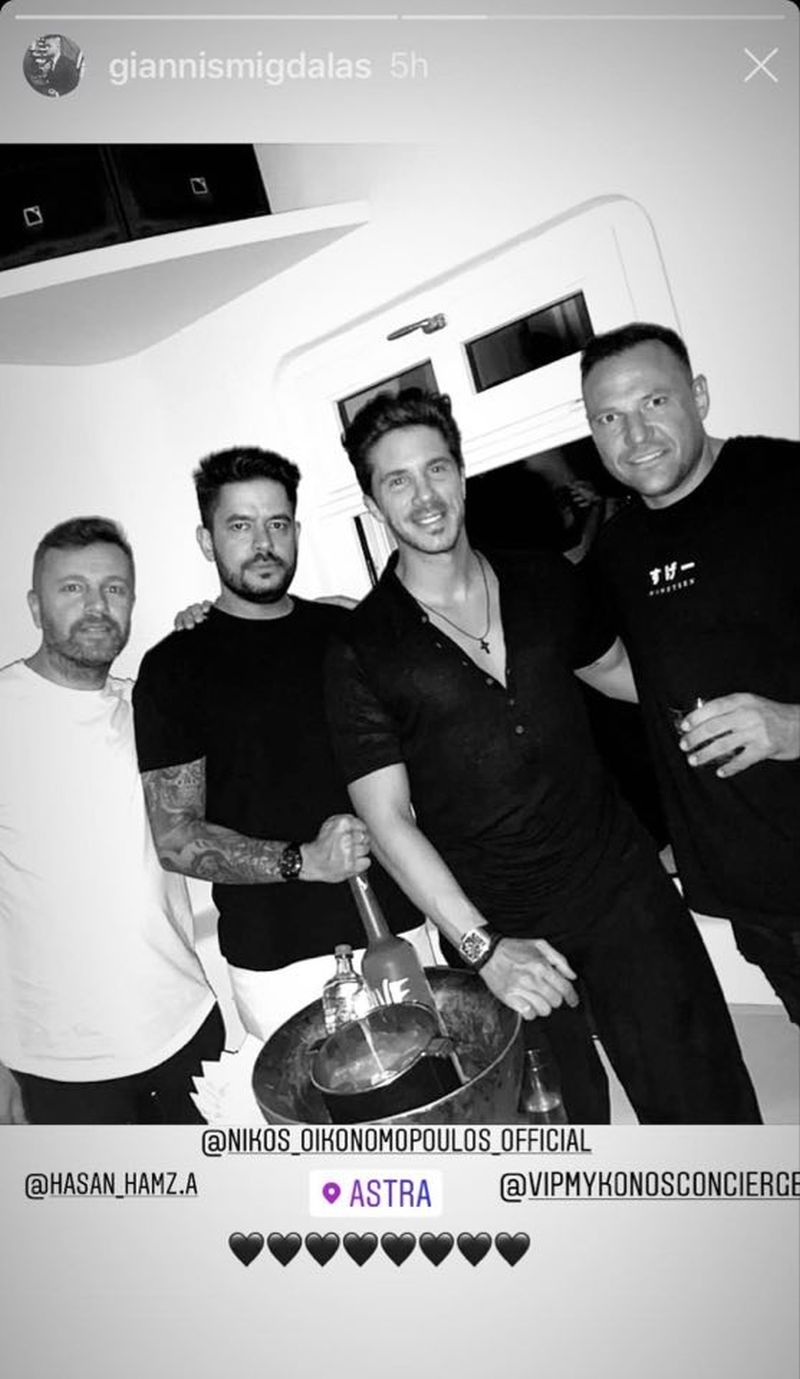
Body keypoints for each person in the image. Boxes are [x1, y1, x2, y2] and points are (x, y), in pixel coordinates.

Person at [325, 387, 761, 1124]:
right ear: (373, 505)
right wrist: (485, 949)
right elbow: (388, 821)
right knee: (558, 1138)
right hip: (503, 929)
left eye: (436, 469)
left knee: (707, 1107)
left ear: (462, 475)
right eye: (397, 481)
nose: (425, 497)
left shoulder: (543, 579)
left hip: (625, 893)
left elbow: (625, 674)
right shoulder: (360, 647)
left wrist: (748, 705)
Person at [132, 447, 426, 1043]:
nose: (263, 543)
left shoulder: (346, 632)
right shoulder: (174, 667)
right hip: (280, 965)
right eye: (240, 526)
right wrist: (303, 861)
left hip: (403, 926)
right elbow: (175, 838)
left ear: (296, 530)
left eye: (278, 524)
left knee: (439, 1089)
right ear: (207, 540)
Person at [581, 322, 800, 1026]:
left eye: (655, 402)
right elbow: (630, 674)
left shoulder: (783, 482)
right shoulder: (618, 550)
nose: (635, 435)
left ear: (698, 395)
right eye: (609, 417)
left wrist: (793, 726)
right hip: (758, 897)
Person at [0, 517, 222, 1125]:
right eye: (72, 588)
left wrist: (207, 637)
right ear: (35, 606)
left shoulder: (146, 707)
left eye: (114, 589)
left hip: (184, 1027)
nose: (96, 606)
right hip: (61, 1067)